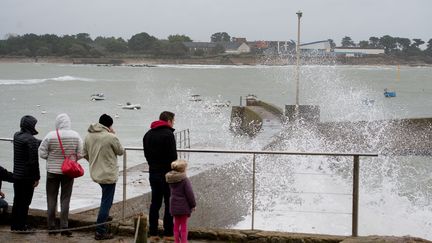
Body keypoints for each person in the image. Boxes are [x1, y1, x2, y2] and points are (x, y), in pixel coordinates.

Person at [39, 113, 83, 236]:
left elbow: (42, 153)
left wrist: (52, 159)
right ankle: (64, 227)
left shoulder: (50, 135)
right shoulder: (75, 135)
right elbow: (80, 153)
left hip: (52, 172)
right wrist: (71, 161)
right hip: (68, 172)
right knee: (65, 199)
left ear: (57, 123)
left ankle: (51, 226)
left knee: (51, 198)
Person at [83, 114, 123, 240]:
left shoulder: (89, 135)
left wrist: (94, 162)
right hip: (108, 174)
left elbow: (84, 153)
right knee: (107, 202)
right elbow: (120, 151)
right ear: (109, 126)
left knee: (105, 198)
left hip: (95, 172)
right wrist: (114, 134)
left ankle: (104, 220)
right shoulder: (110, 137)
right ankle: (100, 231)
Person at [143, 111, 177, 241]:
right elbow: (173, 157)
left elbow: (146, 154)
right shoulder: (168, 134)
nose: (173, 123)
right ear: (169, 121)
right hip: (167, 174)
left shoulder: (148, 134)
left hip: (153, 172)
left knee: (155, 203)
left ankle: (153, 233)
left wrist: (153, 165)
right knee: (169, 203)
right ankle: (168, 233)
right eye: (173, 121)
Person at [11, 115, 41, 232]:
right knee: (25, 202)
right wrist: (37, 177)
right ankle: (22, 226)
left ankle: (15, 225)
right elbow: (34, 161)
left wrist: (38, 142)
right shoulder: (31, 140)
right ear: (31, 126)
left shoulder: (16, 136)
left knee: (17, 201)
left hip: (17, 175)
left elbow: (30, 141)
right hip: (27, 177)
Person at [165, 160, 196, 243]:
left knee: (176, 224)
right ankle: (184, 241)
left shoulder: (171, 179)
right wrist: (193, 205)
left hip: (173, 205)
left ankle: (176, 241)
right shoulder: (185, 180)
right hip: (183, 206)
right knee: (183, 224)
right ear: (183, 170)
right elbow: (190, 194)